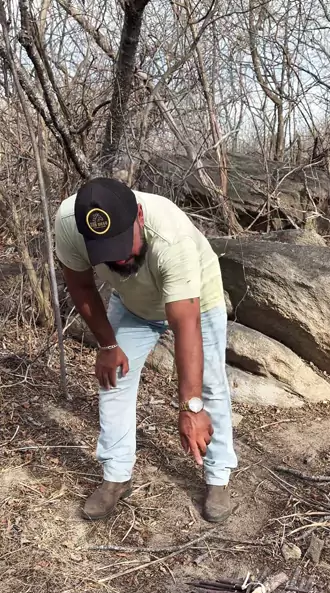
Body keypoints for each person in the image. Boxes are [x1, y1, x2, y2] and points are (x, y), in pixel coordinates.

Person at [54, 177, 237, 523]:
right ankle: (116, 475)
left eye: (124, 244)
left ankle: (218, 477)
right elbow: (80, 285)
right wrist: (108, 344)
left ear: (139, 216)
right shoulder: (69, 223)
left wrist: (190, 406)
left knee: (209, 385)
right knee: (114, 379)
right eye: (107, 251)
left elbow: (185, 325)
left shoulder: (172, 237)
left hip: (197, 299)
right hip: (133, 303)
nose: (119, 258)